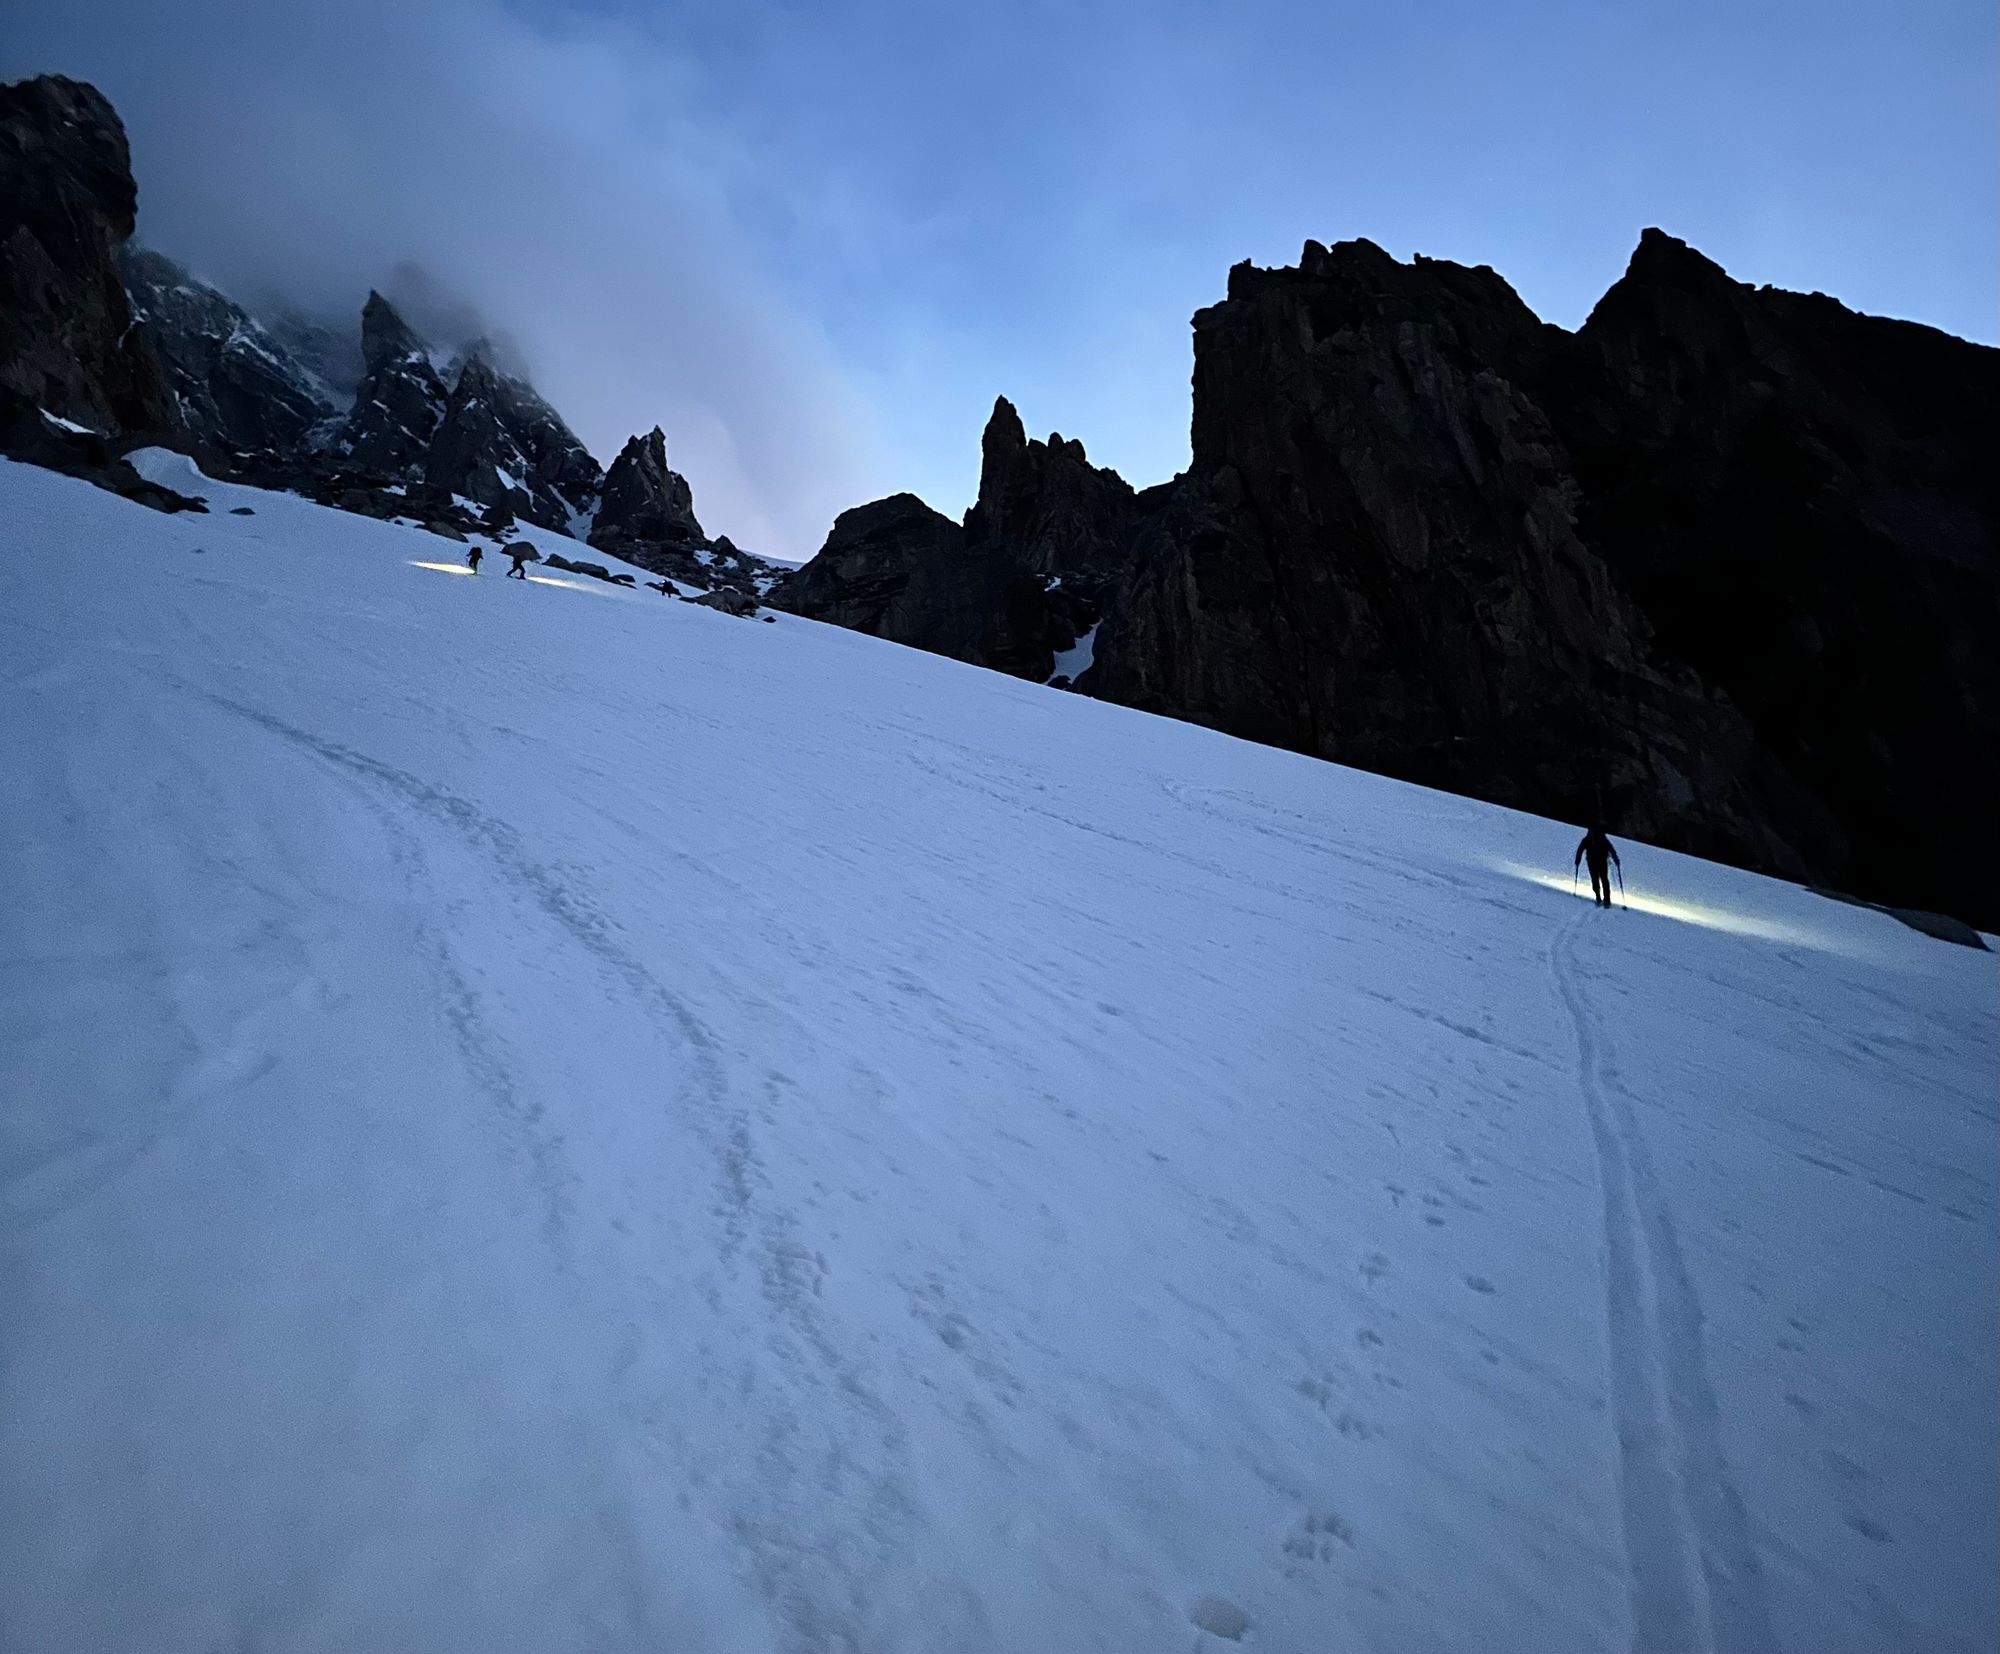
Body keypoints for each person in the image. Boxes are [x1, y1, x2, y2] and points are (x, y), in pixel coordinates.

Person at [1574, 822, 1622, 908]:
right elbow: (1611, 849)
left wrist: (1578, 860)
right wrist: (1616, 860)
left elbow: (1580, 849)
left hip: (1591, 862)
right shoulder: (1603, 838)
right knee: (1604, 879)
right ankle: (1607, 899)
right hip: (1602, 861)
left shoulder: (1587, 838)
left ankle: (1598, 897)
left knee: (1594, 878)